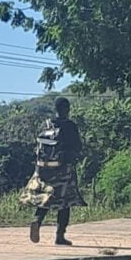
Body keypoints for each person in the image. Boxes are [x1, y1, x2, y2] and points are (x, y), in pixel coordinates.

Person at [21, 97, 87, 245]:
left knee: (46, 197)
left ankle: (37, 221)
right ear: (67, 109)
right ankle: (60, 235)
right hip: (64, 169)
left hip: (44, 169)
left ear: (55, 109)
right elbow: (77, 147)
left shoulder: (46, 124)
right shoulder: (70, 126)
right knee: (65, 202)